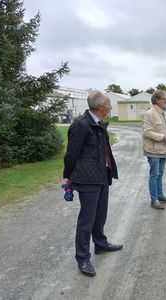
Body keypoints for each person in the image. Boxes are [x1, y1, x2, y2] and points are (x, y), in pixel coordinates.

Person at [63, 91, 123, 277]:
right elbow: (71, 154)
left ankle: (100, 243)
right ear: (100, 107)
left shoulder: (98, 123)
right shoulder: (81, 125)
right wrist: (69, 177)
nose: (111, 107)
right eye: (109, 104)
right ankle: (82, 258)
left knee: (100, 214)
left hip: (102, 176)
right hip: (88, 179)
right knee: (86, 219)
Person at [142, 90, 166, 210]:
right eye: (163, 98)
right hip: (153, 150)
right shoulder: (150, 113)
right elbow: (147, 132)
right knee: (154, 175)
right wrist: (164, 138)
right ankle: (154, 199)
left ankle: (160, 195)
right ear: (156, 100)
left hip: (163, 149)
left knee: (160, 174)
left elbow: (165, 129)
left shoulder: (163, 113)